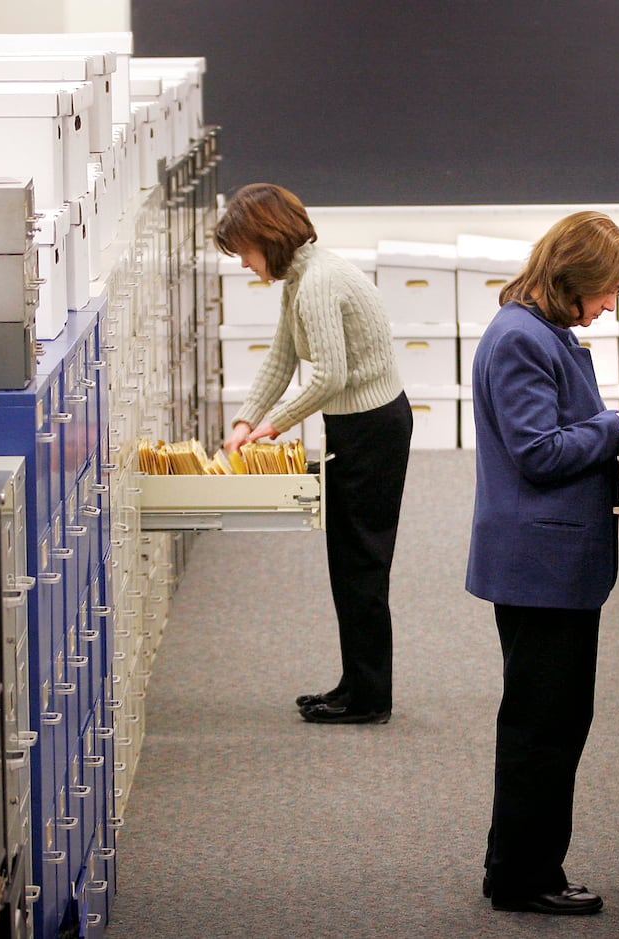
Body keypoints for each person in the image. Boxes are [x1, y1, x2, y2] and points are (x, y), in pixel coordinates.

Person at [466, 211, 619, 915]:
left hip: (551, 561)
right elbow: (539, 451)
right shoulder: (519, 339)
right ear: (569, 278)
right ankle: (525, 877)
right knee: (544, 725)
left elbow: (561, 430)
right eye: (604, 292)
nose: (609, 306)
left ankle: (514, 864)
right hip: (538, 564)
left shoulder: (543, 332)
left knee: (552, 720)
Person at [215, 183, 413, 725]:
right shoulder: (301, 277)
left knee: (363, 565)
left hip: (372, 428)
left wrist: (273, 426)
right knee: (348, 564)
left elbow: (329, 377)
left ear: (267, 239)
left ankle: (371, 699)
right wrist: (244, 419)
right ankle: (356, 684)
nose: (245, 264)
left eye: (245, 252)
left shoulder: (320, 283)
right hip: (357, 424)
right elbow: (282, 358)